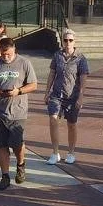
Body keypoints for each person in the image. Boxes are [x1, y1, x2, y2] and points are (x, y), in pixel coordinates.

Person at [0, 37, 38, 191]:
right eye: (2, 54)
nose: (5, 57)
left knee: (17, 143)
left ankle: (21, 165)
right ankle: (5, 176)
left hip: (18, 110)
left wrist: (19, 91)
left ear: (14, 49)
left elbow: (34, 84)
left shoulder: (24, 63)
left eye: (8, 54)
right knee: (1, 144)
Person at [44, 28, 89, 165]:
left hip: (72, 96)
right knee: (53, 119)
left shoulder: (81, 59)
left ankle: (71, 152)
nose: (68, 42)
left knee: (72, 125)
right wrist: (47, 91)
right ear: (62, 41)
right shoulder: (57, 55)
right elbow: (52, 74)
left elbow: (83, 79)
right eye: (65, 40)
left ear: (75, 41)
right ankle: (55, 153)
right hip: (57, 95)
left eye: (70, 40)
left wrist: (81, 96)